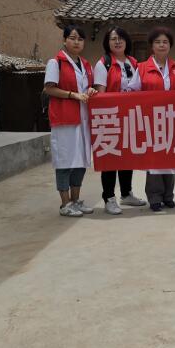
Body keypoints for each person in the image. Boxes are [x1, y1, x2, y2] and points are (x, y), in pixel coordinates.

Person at [43, 25, 98, 217]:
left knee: (80, 161)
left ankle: (76, 200)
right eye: (72, 38)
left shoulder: (86, 64)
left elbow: (89, 87)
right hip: (65, 119)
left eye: (80, 39)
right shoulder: (55, 62)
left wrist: (91, 90)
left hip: (83, 119)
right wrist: (72, 95)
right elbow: (49, 88)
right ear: (64, 40)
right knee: (64, 162)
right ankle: (65, 204)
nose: (76, 42)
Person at [128, 26, 175, 212]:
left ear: (170, 45)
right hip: (150, 122)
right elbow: (131, 91)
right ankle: (154, 197)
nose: (161, 45)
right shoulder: (142, 68)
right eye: (157, 42)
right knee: (154, 161)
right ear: (151, 46)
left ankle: (168, 196)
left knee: (169, 159)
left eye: (165, 42)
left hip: (171, 120)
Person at [93, 27, 147, 215]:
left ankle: (126, 193)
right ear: (107, 42)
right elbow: (100, 94)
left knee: (127, 156)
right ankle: (109, 198)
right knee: (110, 157)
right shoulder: (103, 64)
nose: (117, 42)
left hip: (130, 116)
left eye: (121, 38)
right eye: (113, 39)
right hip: (111, 117)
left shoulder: (134, 62)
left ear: (126, 41)